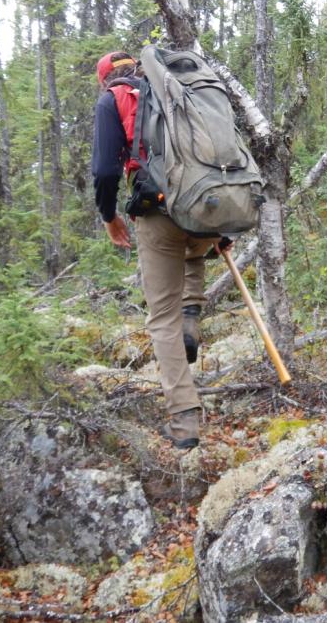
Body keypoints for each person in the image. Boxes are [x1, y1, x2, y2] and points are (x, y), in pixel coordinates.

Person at [91, 50, 220, 450]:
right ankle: (192, 318)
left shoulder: (114, 99)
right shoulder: (180, 90)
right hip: (208, 204)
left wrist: (110, 215)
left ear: (105, 79)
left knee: (161, 317)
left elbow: (105, 171)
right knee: (194, 252)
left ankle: (184, 424)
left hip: (158, 210)